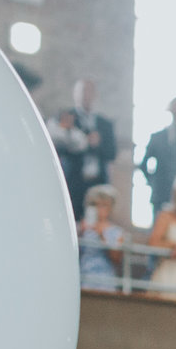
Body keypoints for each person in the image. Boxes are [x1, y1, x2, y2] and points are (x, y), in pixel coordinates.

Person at [53, 79, 119, 219]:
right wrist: (84, 143)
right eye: (82, 91)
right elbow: (57, 147)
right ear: (75, 94)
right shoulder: (65, 118)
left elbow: (112, 153)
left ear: (95, 95)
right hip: (73, 180)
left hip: (97, 182)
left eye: (89, 91)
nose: (86, 95)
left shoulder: (105, 124)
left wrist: (97, 145)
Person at [77, 183, 126, 290]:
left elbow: (117, 258)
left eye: (103, 205)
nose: (99, 209)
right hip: (83, 277)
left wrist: (101, 234)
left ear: (111, 208)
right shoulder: (82, 228)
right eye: (95, 204)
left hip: (105, 280)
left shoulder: (117, 232)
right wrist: (80, 232)